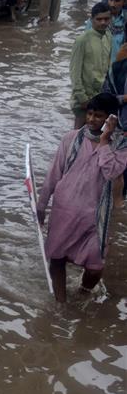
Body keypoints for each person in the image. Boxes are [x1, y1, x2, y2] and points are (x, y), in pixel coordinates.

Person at [37, 93, 127, 302]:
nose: (91, 119)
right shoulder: (71, 138)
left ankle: (82, 294)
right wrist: (41, 205)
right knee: (57, 258)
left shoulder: (120, 146)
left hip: (94, 215)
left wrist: (104, 141)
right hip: (64, 208)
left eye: (99, 116)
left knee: (95, 267)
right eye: (89, 113)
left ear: (111, 118)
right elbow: (54, 173)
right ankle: (61, 305)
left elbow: (112, 172)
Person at [70, 2, 113, 129]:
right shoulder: (82, 40)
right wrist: (82, 98)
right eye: (99, 19)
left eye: (106, 19)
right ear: (91, 19)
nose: (103, 22)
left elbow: (107, 67)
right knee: (78, 135)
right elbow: (74, 71)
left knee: (94, 137)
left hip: (100, 96)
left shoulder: (108, 37)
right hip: (84, 99)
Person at [102, 43, 127, 202]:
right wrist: (123, 99)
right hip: (120, 134)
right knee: (117, 180)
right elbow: (105, 98)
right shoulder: (118, 69)